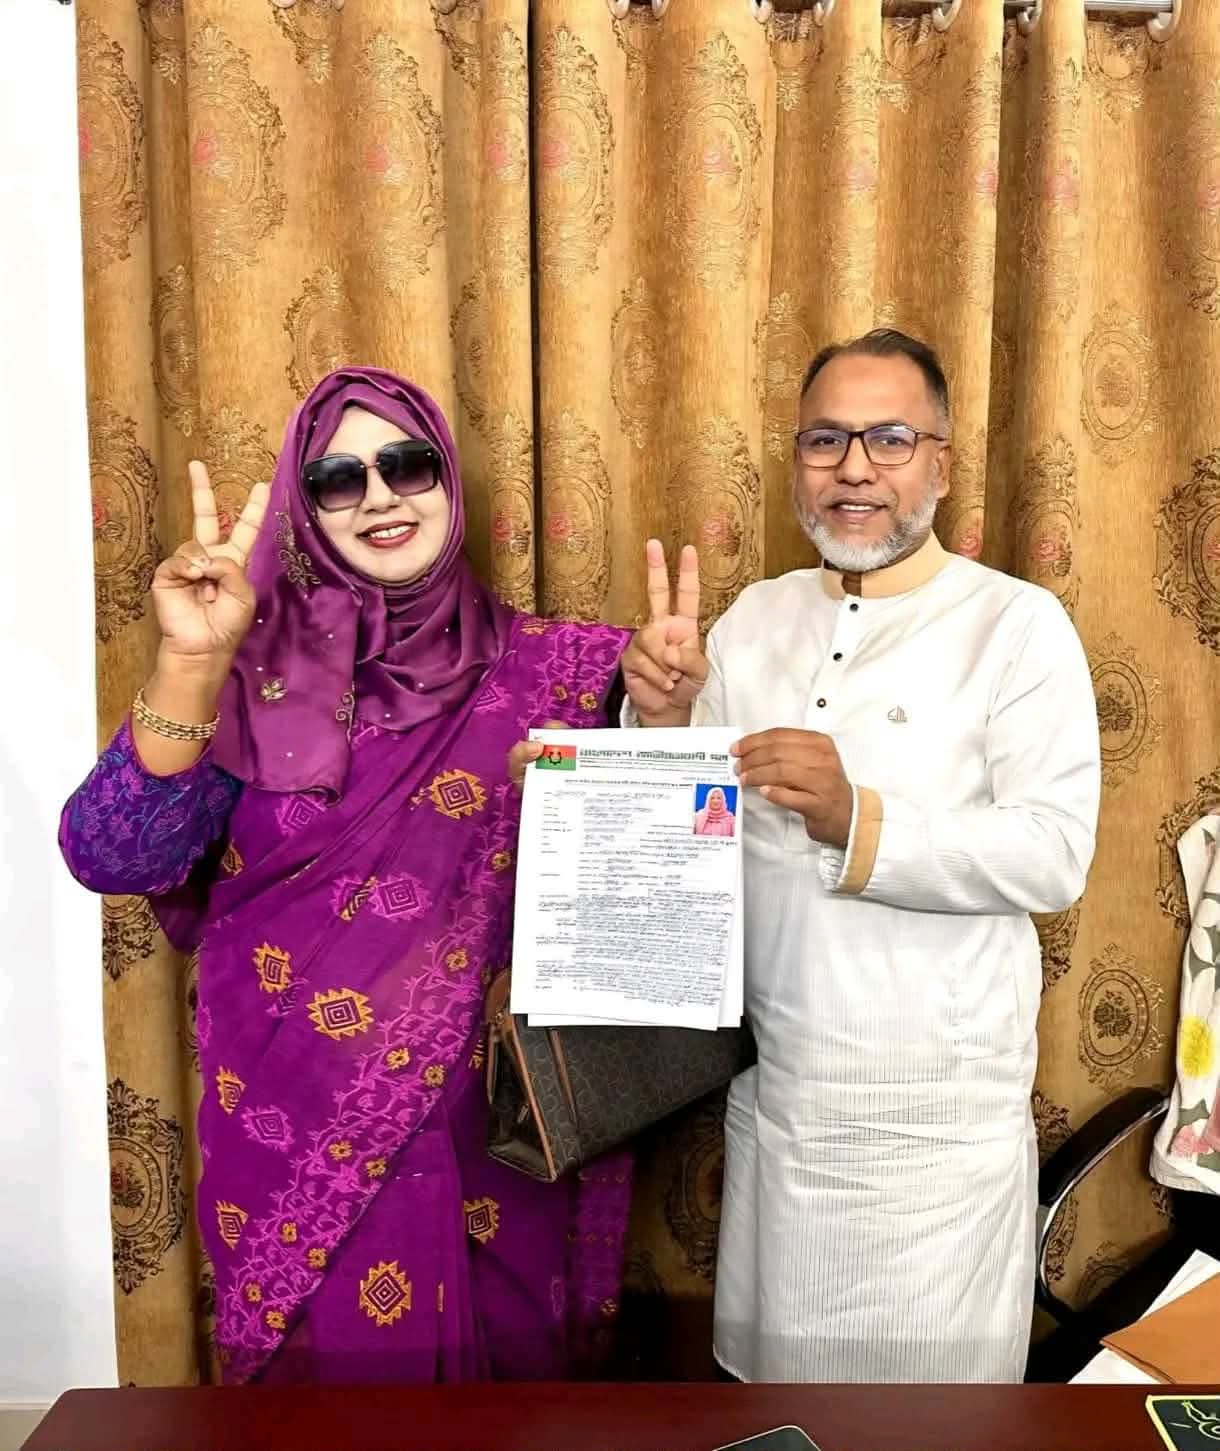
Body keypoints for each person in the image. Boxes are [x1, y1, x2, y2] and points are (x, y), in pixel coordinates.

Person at [60, 368, 632, 1386]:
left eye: (407, 465)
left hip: (500, 1144)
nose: (378, 496)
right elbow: (112, 855)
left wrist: (658, 727)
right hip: (286, 1140)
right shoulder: (252, 676)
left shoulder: (566, 672)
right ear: (305, 508)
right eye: (337, 479)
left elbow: (646, 904)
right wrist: (189, 666)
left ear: (448, 483)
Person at [618, 328, 1101, 1383]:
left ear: (941, 464)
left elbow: (1053, 851)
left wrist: (857, 817)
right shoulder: (754, 618)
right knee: (776, 1409)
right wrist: (659, 720)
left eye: (889, 439)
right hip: (782, 1114)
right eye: (825, 439)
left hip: (936, 1135)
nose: (853, 468)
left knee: (926, 1419)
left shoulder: (1016, 625)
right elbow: (687, 841)